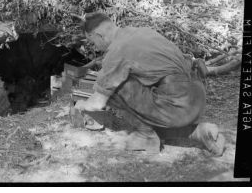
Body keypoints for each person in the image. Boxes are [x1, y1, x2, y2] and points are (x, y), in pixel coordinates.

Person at [73, 11, 225, 156]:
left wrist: (82, 105)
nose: (95, 47)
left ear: (99, 36)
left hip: (178, 105)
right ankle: (200, 132)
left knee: (113, 88)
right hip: (196, 97)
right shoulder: (142, 32)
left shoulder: (117, 50)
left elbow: (99, 101)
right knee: (121, 80)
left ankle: (146, 137)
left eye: (93, 42)